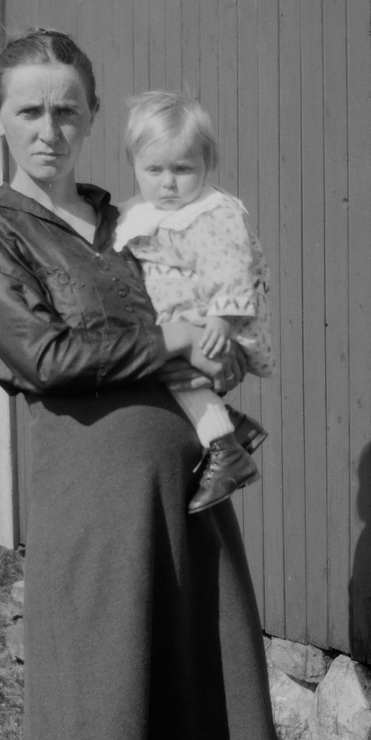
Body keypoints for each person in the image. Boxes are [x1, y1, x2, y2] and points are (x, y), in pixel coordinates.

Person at [0, 29, 283, 740]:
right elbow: (40, 358)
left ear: (91, 115)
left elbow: (211, 292)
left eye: (65, 109)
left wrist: (218, 342)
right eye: (28, 109)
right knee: (92, 685)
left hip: (184, 481)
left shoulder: (130, 214)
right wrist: (172, 335)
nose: (48, 128)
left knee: (187, 668)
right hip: (89, 488)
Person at [114, 91, 275, 514]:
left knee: (180, 373)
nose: (167, 182)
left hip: (213, 316)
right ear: (134, 164)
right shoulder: (141, 211)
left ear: (207, 164)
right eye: (153, 169)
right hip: (180, 315)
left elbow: (232, 268)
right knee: (166, 369)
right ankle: (232, 426)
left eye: (182, 169)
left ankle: (227, 449)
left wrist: (221, 319)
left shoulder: (210, 212)